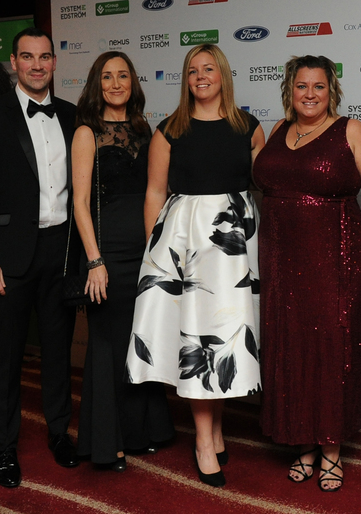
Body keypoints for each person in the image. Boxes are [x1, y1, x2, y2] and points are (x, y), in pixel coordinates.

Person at [125, 43, 265, 488]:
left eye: (208, 69)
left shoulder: (249, 128)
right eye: (192, 71)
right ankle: (204, 441)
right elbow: (155, 193)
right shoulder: (169, 130)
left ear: (223, 74)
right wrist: (156, 256)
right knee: (196, 339)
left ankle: (216, 429)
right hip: (184, 245)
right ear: (185, 80)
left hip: (233, 247)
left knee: (223, 336)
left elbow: (263, 188)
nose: (200, 76)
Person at [255, 55, 361, 492]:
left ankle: (331, 449)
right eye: (301, 86)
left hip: (337, 261)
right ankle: (303, 442)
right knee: (291, 348)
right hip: (280, 262)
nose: (309, 94)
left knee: (332, 351)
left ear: (331, 90)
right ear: (289, 90)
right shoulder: (278, 129)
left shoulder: (352, 132)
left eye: (318, 86)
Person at [0, 27, 79, 488]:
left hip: (60, 251)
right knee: (7, 358)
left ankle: (59, 433)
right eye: (27, 57)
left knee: (58, 351)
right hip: (7, 257)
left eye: (44, 57)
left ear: (54, 61)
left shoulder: (72, 115)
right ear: (14, 61)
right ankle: (5, 448)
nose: (36, 65)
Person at [71, 52, 175, 472]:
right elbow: (79, 203)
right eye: (108, 77)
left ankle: (140, 432)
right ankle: (106, 442)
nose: (116, 84)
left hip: (145, 249)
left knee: (141, 340)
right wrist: (94, 260)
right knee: (108, 346)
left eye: (123, 76)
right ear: (97, 84)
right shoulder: (86, 132)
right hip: (107, 254)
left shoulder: (143, 128)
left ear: (133, 82)